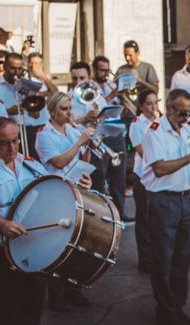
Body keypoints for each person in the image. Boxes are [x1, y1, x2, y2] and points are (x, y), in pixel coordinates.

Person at [0, 117, 91, 325]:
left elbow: (55, 188)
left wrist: (80, 183)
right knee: (5, 313)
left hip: (33, 247)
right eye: (4, 143)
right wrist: (0, 224)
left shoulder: (29, 164)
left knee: (32, 308)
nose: (12, 148)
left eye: (15, 141)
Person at [141, 88, 190, 325]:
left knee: (183, 257)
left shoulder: (188, 129)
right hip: (162, 200)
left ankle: (177, 306)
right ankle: (165, 309)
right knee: (163, 258)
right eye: (182, 113)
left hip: (183, 198)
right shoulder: (155, 132)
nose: (186, 118)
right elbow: (159, 168)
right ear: (169, 109)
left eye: (189, 113)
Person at [34, 91, 96, 311]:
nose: (69, 113)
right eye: (64, 109)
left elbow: (82, 160)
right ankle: (57, 295)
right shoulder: (44, 135)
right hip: (57, 192)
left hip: (77, 189)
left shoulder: (71, 130)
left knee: (78, 242)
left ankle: (74, 289)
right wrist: (80, 141)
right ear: (52, 111)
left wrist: (88, 147)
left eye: (70, 108)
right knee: (60, 244)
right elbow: (59, 162)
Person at [69, 61, 129, 220]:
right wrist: (85, 119)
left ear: (88, 77)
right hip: (87, 143)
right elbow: (67, 125)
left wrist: (101, 117)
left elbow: (108, 115)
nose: (78, 82)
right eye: (75, 78)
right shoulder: (69, 99)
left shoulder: (96, 94)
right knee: (98, 180)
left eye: (82, 77)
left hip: (104, 137)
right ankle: (101, 217)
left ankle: (119, 215)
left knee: (118, 179)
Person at [0, 53, 49, 158]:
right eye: (12, 68)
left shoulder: (29, 83)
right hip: (10, 134)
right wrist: (8, 111)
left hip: (34, 131)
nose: (16, 72)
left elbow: (36, 115)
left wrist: (31, 94)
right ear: (4, 67)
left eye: (19, 68)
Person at [128, 89, 160, 273]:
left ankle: (157, 256)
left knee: (157, 218)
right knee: (144, 219)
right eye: (149, 104)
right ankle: (145, 260)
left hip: (158, 177)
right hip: (143, 175)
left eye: (155, 103)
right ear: (141, 106)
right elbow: (141, 150)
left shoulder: (160, 122)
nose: (153, 107)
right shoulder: (137, 124)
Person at [115, 40, 160, 120]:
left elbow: (155, 90)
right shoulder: (120, 70)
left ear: (137, 53)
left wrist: (140, 80)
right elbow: (114, 91)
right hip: (126, 114)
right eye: (125, 55)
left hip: (145, 114)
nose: (127, 58)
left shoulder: (148, 68)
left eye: (130, 55)